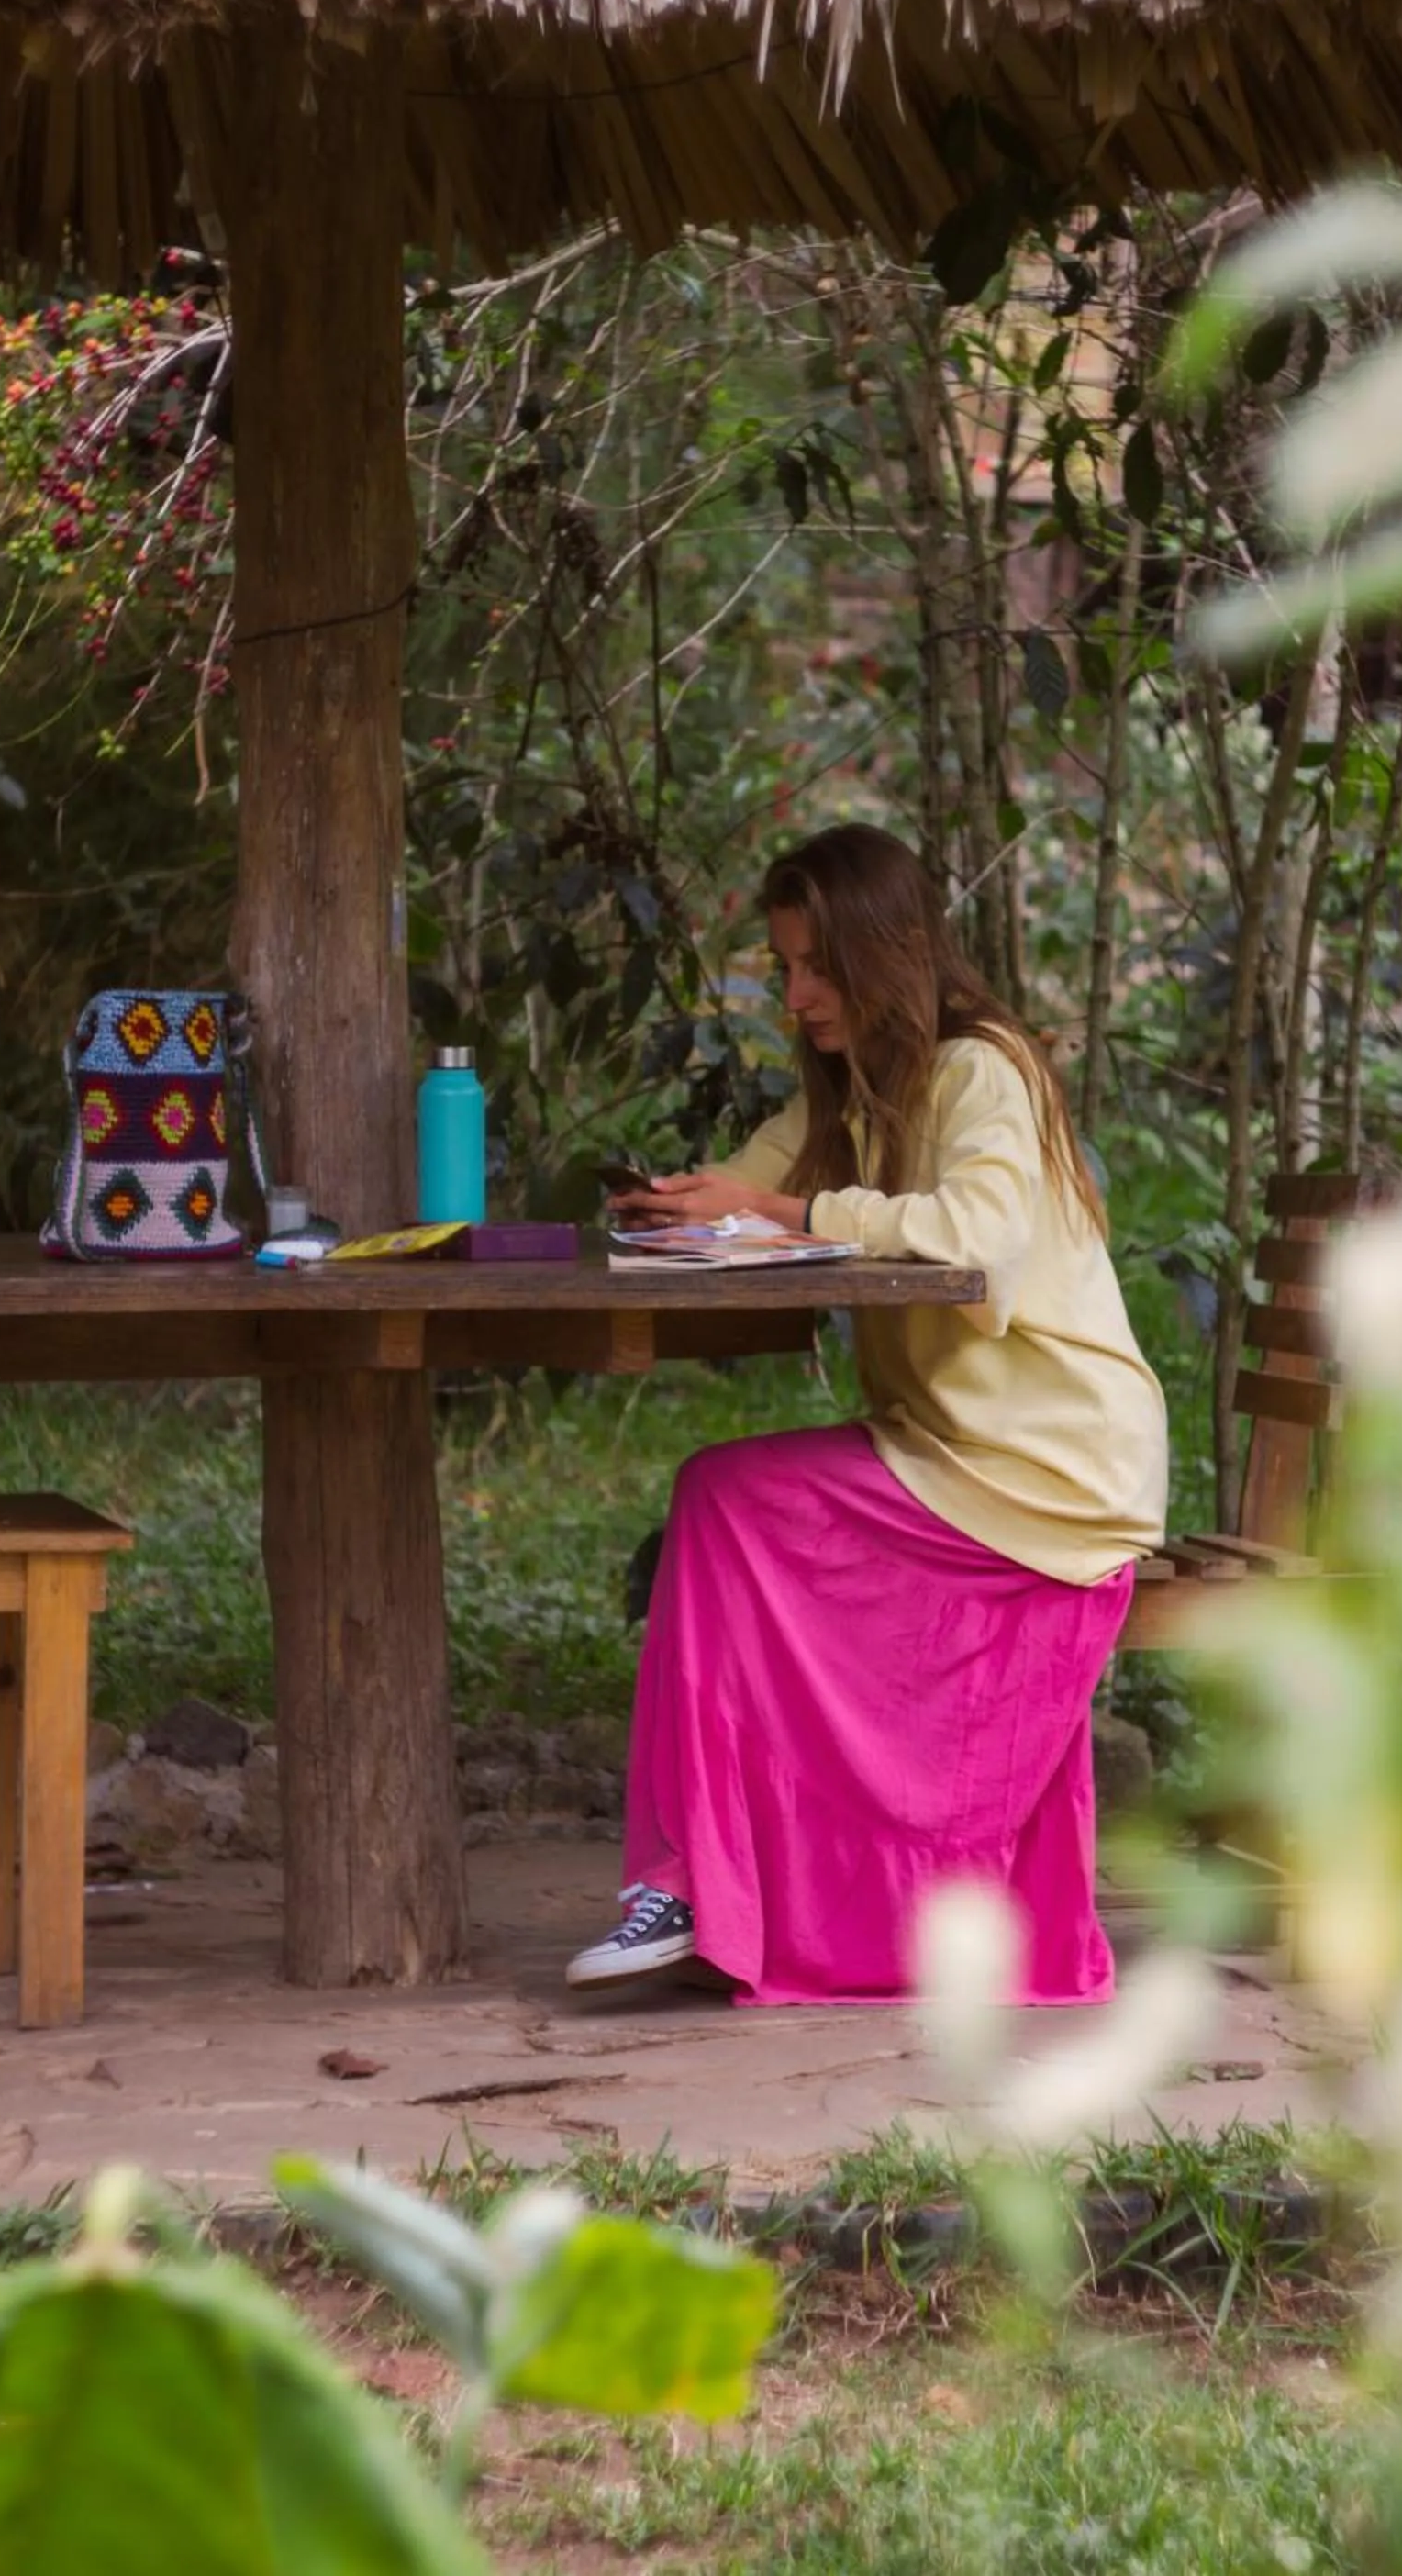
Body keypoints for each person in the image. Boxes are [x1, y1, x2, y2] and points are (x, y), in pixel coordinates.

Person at [565, 824, 1168, 2005]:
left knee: (726, 1505)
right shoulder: (848, 1086)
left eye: (815, 970)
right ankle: (708, 1883)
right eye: (785, 968)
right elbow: (755, 1192)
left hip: (1041, 1478)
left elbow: (972, 1241)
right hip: (948, 1457)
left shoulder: (977, 1070)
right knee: (723, 1500)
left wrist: (776, 1214)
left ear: (884, 955)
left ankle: (695, 1884)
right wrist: (681, 1208)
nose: (795, 997)